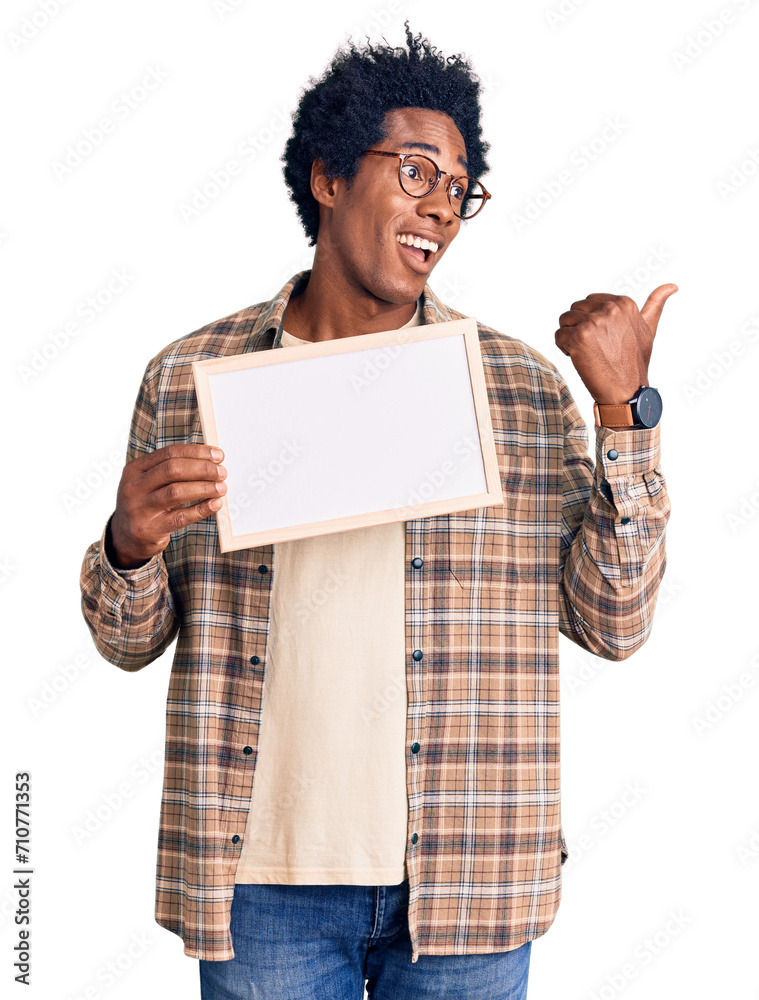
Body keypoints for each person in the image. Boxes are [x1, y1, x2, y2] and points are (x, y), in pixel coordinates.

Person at [79, 24, 674, 1000]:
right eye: (415, 171)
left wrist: (624, 415)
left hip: (470, 875)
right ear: (327, 176)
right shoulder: (194, 378)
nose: (442, 204)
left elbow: (613, 623)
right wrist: (128, 545)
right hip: (260, 882)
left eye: (459, 188)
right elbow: (128, 641)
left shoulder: (518, 387)